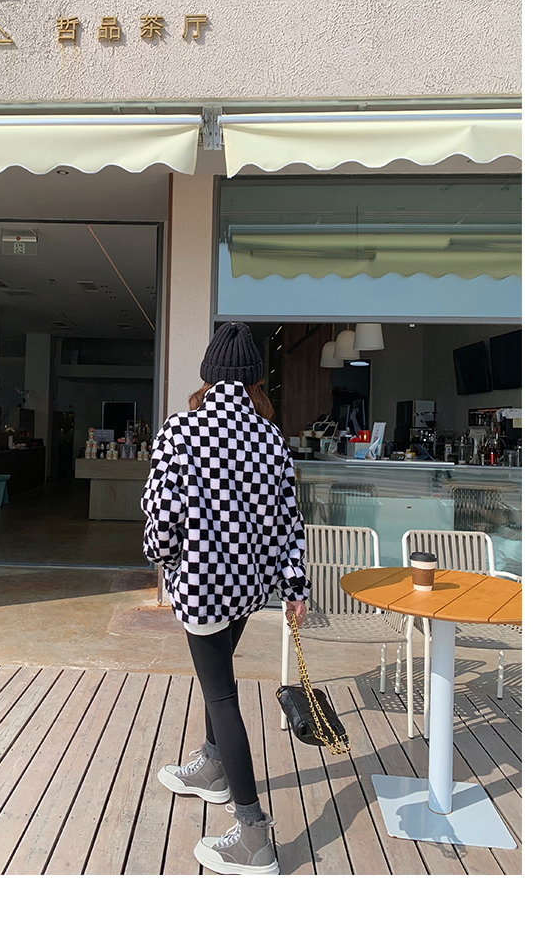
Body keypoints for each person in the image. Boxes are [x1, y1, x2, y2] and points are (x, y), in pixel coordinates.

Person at [140, 322, 311, 876]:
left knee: (221, 696)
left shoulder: (180, 432)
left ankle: (254, 836)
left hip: (201, 586)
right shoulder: (272, 439)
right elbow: (289, 522)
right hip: (248, 587)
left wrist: (164, 558)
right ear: (255, 380)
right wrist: (294, 586)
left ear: (209, 375)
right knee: (221, 682)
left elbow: (162, 518)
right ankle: (213, 766)